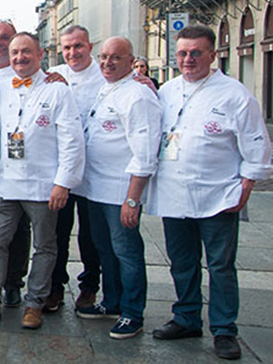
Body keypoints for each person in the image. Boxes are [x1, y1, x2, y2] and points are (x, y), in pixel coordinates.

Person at [146, 25, 272, 360]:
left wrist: (247, 183)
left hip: (219, 195)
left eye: (195, 53)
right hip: (175, 194)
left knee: (220, 265)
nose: (188, 59)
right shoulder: (167, 91)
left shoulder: (235, 94)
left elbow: (257, 144)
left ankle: (224, 329)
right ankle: (186, 317)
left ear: (212, 55)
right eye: (183, 53)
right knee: (182, 262)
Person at [0, 32, 84, 330]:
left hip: (44, 184)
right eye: (15, 52)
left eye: (26, 52)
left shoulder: (58, 91)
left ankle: (34, 304)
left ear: (40, 54)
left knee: (45, 246)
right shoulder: (1, 88)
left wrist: (63, 182)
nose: (20, 57)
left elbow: (72, 140)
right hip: (5, 182)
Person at [78, 37, 161, 339]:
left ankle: (132, 313)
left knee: (127, 252)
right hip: (95, 190)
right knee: (106, 250)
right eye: (103, 57)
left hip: (119, 192)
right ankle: (111, 302)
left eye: (115, 57)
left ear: (130, 61)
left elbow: (145, 150)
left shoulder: (138, 96)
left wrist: (132, 199)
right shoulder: (106, 89)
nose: (107, 63)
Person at [46, 25, 104, 312]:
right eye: (67, 47)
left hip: (96, 170)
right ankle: (55, 287)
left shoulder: (105, 76)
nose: (73, 52)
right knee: (57, 231)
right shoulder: (53, 76)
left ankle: (89, 286)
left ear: (90, 46)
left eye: (78, 46)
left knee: (91, 235)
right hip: (62, 170)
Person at [0, 20, 30, 308]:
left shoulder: (31, 74)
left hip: (19, 165)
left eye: (5, 38)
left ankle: (14, 282)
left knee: (20, 228)